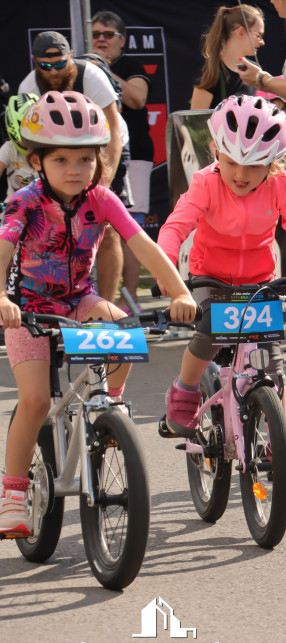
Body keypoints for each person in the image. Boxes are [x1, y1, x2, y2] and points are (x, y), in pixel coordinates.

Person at [0, 92, 196, 536]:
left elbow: (142, 245)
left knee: (128, 334)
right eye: (63, 160)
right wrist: (2, 299)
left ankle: (107, 403)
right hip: (29, 310)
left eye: (86, 160)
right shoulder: (24, 203)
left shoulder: (102, 198)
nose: (75, 170)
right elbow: (4, 249)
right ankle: (12, 493)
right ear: (37, 161)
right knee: (33, 401)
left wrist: (180, 291)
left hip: (80, 298)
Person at [157, 95, 286, 483]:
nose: (241, 174)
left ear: (274, 162)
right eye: (231, 161)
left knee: (271, 365)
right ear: (215, 151)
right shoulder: (205, 183)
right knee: (211, 332)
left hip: (258, 280)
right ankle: (184, 390)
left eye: (254, 165)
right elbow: (174, 229)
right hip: (210, 276)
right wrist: (170, 280)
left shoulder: (283, 184)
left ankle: (279, 438)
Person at [18, 31, 129, 306]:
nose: (53, 71)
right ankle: (55, 299)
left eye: (59, 63)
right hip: (56, 152)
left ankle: (104, 301)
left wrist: (102, 182)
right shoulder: (28, 87)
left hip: (101, 148)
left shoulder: (90, 75)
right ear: (35, 63)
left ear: (70, 57)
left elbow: (113, 128)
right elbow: (31, 143)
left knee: (108, 226)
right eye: (46, 65)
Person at [92, 11, 154, 310]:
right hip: (92, 155)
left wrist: (103, 71)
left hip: (134, 155)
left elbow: (137, 99)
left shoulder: (130, 65)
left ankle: (130, 301)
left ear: (122, 39)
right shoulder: (81, 69)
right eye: (96, 35)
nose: (101, 40)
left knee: (129, 226)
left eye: (108, 34)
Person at [190, 4, 266, 110]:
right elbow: (196, 121)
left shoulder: (253, 70)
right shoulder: (212, 70)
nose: (262, 42)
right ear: (241, 32)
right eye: (258, 35)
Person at [0, 94, 39, 201]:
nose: (30, 145)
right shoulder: (9, 148)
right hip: (12, 209)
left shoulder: (49, 149)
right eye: (24, 140)